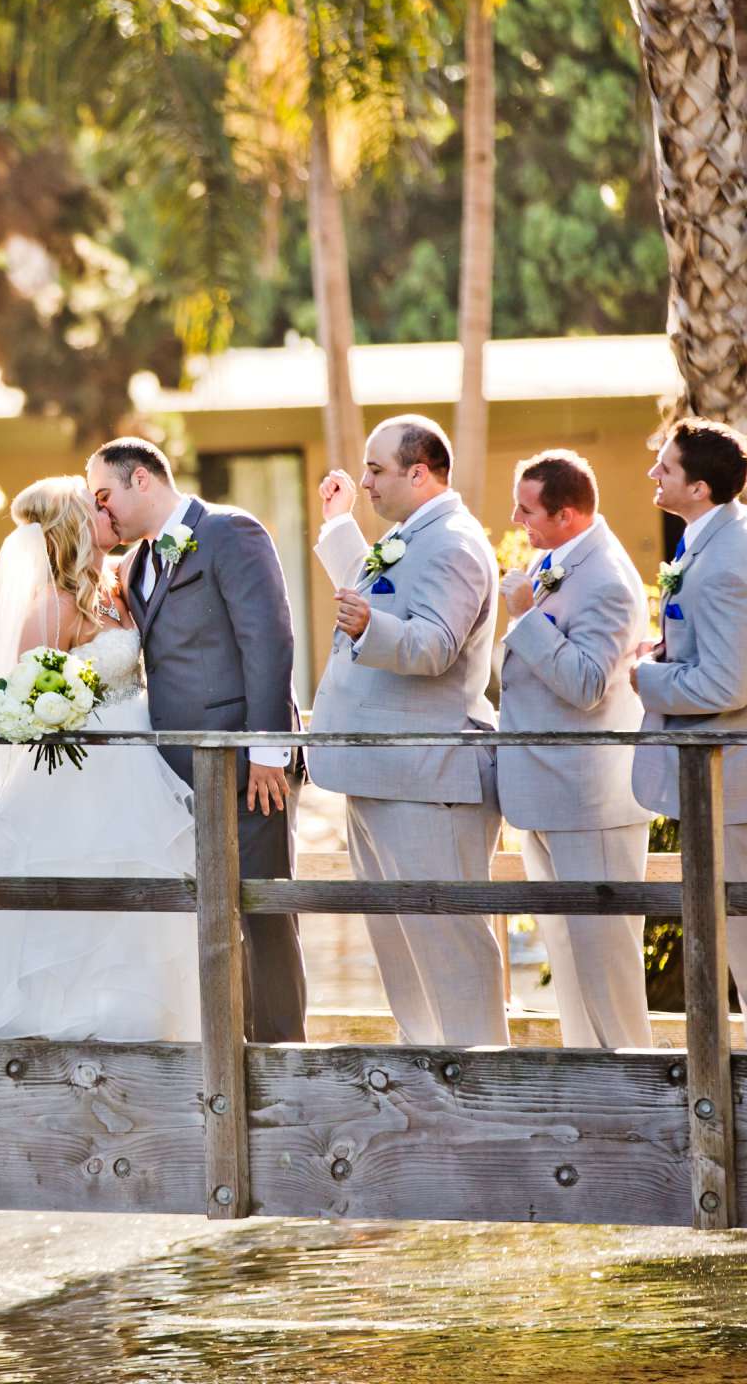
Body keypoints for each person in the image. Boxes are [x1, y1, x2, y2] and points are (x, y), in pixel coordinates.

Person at [0, 476, 200, 1042]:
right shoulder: (54, 606)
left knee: (145, 883)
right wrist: (60, 709)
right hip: (84, 771)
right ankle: (68, 1021)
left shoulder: (118, 586)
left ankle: (147, 1017)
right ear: (76, 526)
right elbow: (23, 692)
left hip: (139, 760)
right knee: (79, 886)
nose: (109, 516)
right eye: (97, 510)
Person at [85, 436, 305, 1044]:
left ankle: (283, 1055)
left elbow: (270, 640)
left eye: (105, 497)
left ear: (143, 481)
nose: (103, 512)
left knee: (265, 915)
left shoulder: (232, 533)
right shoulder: (133, 565)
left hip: (246, 767)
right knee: (212, 920)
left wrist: (267, 751)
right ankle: (230, 1047)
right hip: (176, 775)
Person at [306, 415, 508, 1048]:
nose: (364, 481)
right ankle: (427, 1074)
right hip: (382, 770)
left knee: (448, 945)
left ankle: (479, 1080)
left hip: (426, 778)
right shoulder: (411, 535)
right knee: (401, 947)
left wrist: (369, 629)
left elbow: (436, 645)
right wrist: (340, 527)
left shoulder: (453, 543)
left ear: (419, 474)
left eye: (375, 470)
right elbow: (380, 593)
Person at [632, 417, 747, 1051]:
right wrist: (668, 648)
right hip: (736, 767)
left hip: (737, 770)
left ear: (700, 488)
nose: (654, 474)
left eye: (667, 468)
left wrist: (645, 678)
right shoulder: (731, 531)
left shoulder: (729, 560)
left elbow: (724, 688)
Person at [498, 450, 654, 1048]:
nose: (517, 518)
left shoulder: (609, 580)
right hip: (544, 792)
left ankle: (636, 1094)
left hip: (591, 801)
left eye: (527, 508)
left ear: (566, 514)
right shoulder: (554, 560)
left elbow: (588, 684)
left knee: (607, 967)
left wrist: (526, 616)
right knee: (566, 956)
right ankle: (593, 1093)